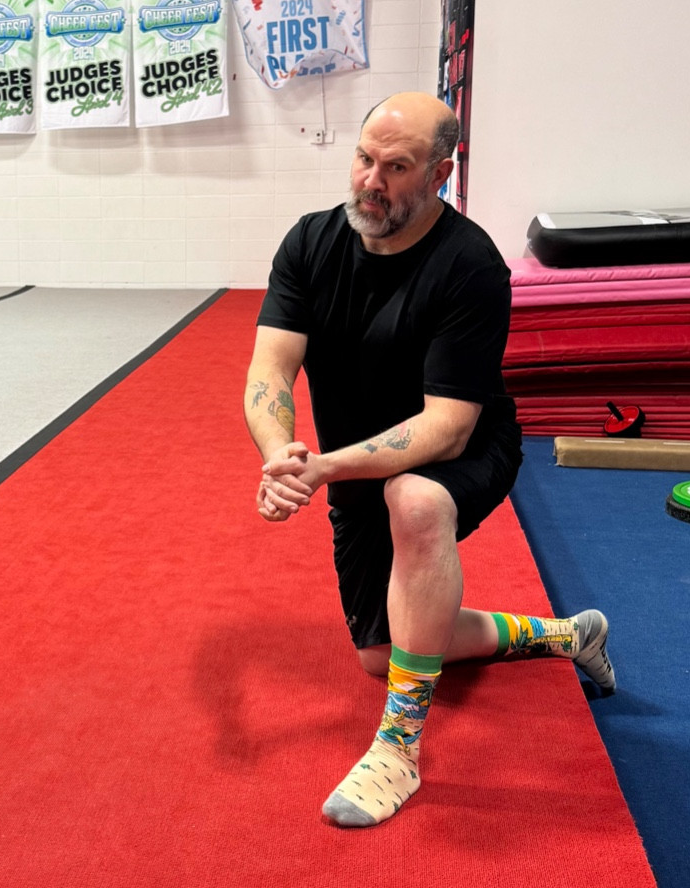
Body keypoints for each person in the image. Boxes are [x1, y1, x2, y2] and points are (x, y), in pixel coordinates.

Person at [244, 92, 614, 830]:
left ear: (440, 174)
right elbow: (270, 370)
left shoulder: (470, 265)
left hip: (467, 448)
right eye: (363, 159)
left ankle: (399, 748)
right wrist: (280, 453)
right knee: (382, 652)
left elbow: (446, 429)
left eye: (397, 168)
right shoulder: (310, 242)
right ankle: (567, 635)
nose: (370, 182)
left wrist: (324, 469)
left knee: (414, 500)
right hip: (356, 464)